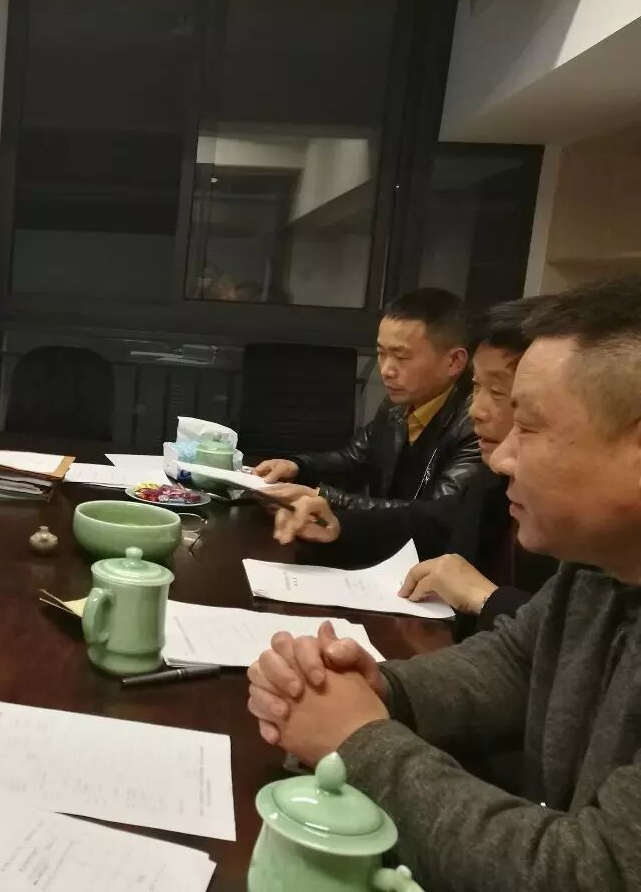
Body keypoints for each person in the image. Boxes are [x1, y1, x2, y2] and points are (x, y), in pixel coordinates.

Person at [246, 275, 641, 892]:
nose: (501, 457)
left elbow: (591, 871)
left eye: (529, 427)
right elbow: (515, 662)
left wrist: (361, 740)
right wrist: (380, 687)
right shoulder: (599, 569)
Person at [273, 298, 559, 638]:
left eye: (497, 392)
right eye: (476, 387)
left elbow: (574, 641)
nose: (476, 410)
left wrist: (488, 599)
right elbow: (434, 519)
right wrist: (339, 527)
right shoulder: (492, 477)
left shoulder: (583, 516)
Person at [254, 288, 481, 510]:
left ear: (454, 362)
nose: (386, 370)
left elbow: (435, 515)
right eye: (382, 353)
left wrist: (324, 498)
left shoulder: (477, 425)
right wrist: (297, 467)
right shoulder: (397, 405)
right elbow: (353, 460)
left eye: (401, 357)